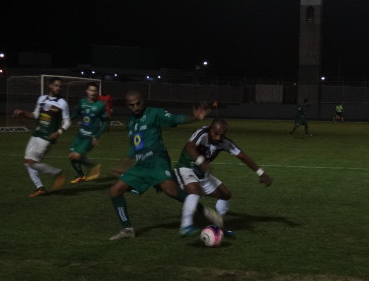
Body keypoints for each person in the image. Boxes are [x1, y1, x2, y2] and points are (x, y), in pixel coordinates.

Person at [108, 89, 222, 240]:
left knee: (170, 190)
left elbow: (175, 119)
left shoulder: (154, 113)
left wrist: (196, 117)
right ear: (127, 106)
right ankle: (128, 229)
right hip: (142, 165)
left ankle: (204, 211)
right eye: (131, 105)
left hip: (157, 160)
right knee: (115, 190)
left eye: (138, 103)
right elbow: (135, 146)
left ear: (142, 101)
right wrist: (124, 164)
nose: (135, 107)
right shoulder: (130, 122)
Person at [174, 118, 273, 236]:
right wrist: (201, 161)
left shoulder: (224, 142)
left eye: (222, 135)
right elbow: (189, 146)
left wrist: (261, 172)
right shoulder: (202, 133)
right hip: (185, 168)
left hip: (202, 174)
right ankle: (185, 226)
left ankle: (217, 227)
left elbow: (243, 156)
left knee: (225, 194)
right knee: (194, 190)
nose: (218, 138)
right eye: (215, 134)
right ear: (210, 129)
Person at [13, 77, 70, 197]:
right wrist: (23, 113)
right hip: (37, 133)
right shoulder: (42, 99)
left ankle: (58, 173)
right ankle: (40, 188)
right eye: (56, 85)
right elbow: (35, 115)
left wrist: (58, 132)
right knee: (27, 162)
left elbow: (68, 122)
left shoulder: (62, 103)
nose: (58, 88)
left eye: (60, 86)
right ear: (50, 86)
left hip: (47, 136)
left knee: (31, 162)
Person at [68, 82, 109, 184]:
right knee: (71, 156)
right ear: (87, 91)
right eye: (91, 90)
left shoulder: (100, 105)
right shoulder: (82, 102)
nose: (93, 92)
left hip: (90, 137)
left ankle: (93, 167)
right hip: (80, 135)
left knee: (77, 156)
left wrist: (97, 136)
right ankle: (80, 176)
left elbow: (106, 122)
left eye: (95, 91)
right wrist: (67, 119)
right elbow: (76, 113)